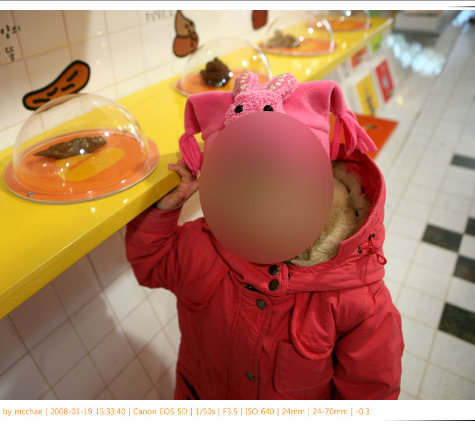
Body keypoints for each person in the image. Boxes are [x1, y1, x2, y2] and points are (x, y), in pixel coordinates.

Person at [125, 72, 404, 400]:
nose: (264, 201)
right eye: (243, 183)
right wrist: (163, 210)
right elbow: (151, 263)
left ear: (317, 178)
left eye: (282, 180)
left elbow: (369, 395)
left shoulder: (355, 298)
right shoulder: (204, 244)